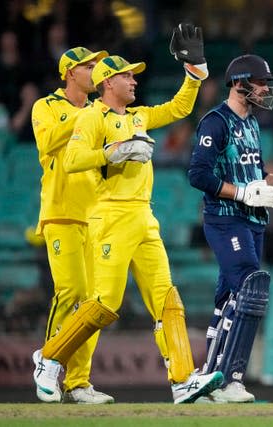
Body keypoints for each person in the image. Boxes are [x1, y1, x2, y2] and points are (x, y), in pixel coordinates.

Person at [31, 24, 223, 405]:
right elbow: (70, 159)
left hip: (142, 218)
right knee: (101, 303)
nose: (134, 79)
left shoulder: (136, 117)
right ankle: (50, 357)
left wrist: (195, 74)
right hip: (109, 216)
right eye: (125, 75)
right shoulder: (89, 116)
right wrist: (112, 153)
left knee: (167, 299)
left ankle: (183, 378)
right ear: (106, 82)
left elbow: (179, 108)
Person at [187, 53, 273, 403]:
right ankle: (231, 379)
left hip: (254, 221)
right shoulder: (216, 122)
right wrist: (242, 192)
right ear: (240, 83)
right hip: (226, 218)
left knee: (227, 298)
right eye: (260, 83)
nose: (264, 89)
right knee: (250, 287)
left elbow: (259, 176)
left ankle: (208, 380)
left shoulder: (252, 124)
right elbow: (198, 175)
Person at [31, 46, 112, 404]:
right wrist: (86, 116)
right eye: (89, 66)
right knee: (72, 292)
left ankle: (78, 383)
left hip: (95, 216)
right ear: (70, 73)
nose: (96, 71)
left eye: (97, 65)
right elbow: (47, 141)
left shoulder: (100, 113)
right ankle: (47, 359)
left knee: (92, 303)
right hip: (61, 212)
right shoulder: (45, 107)